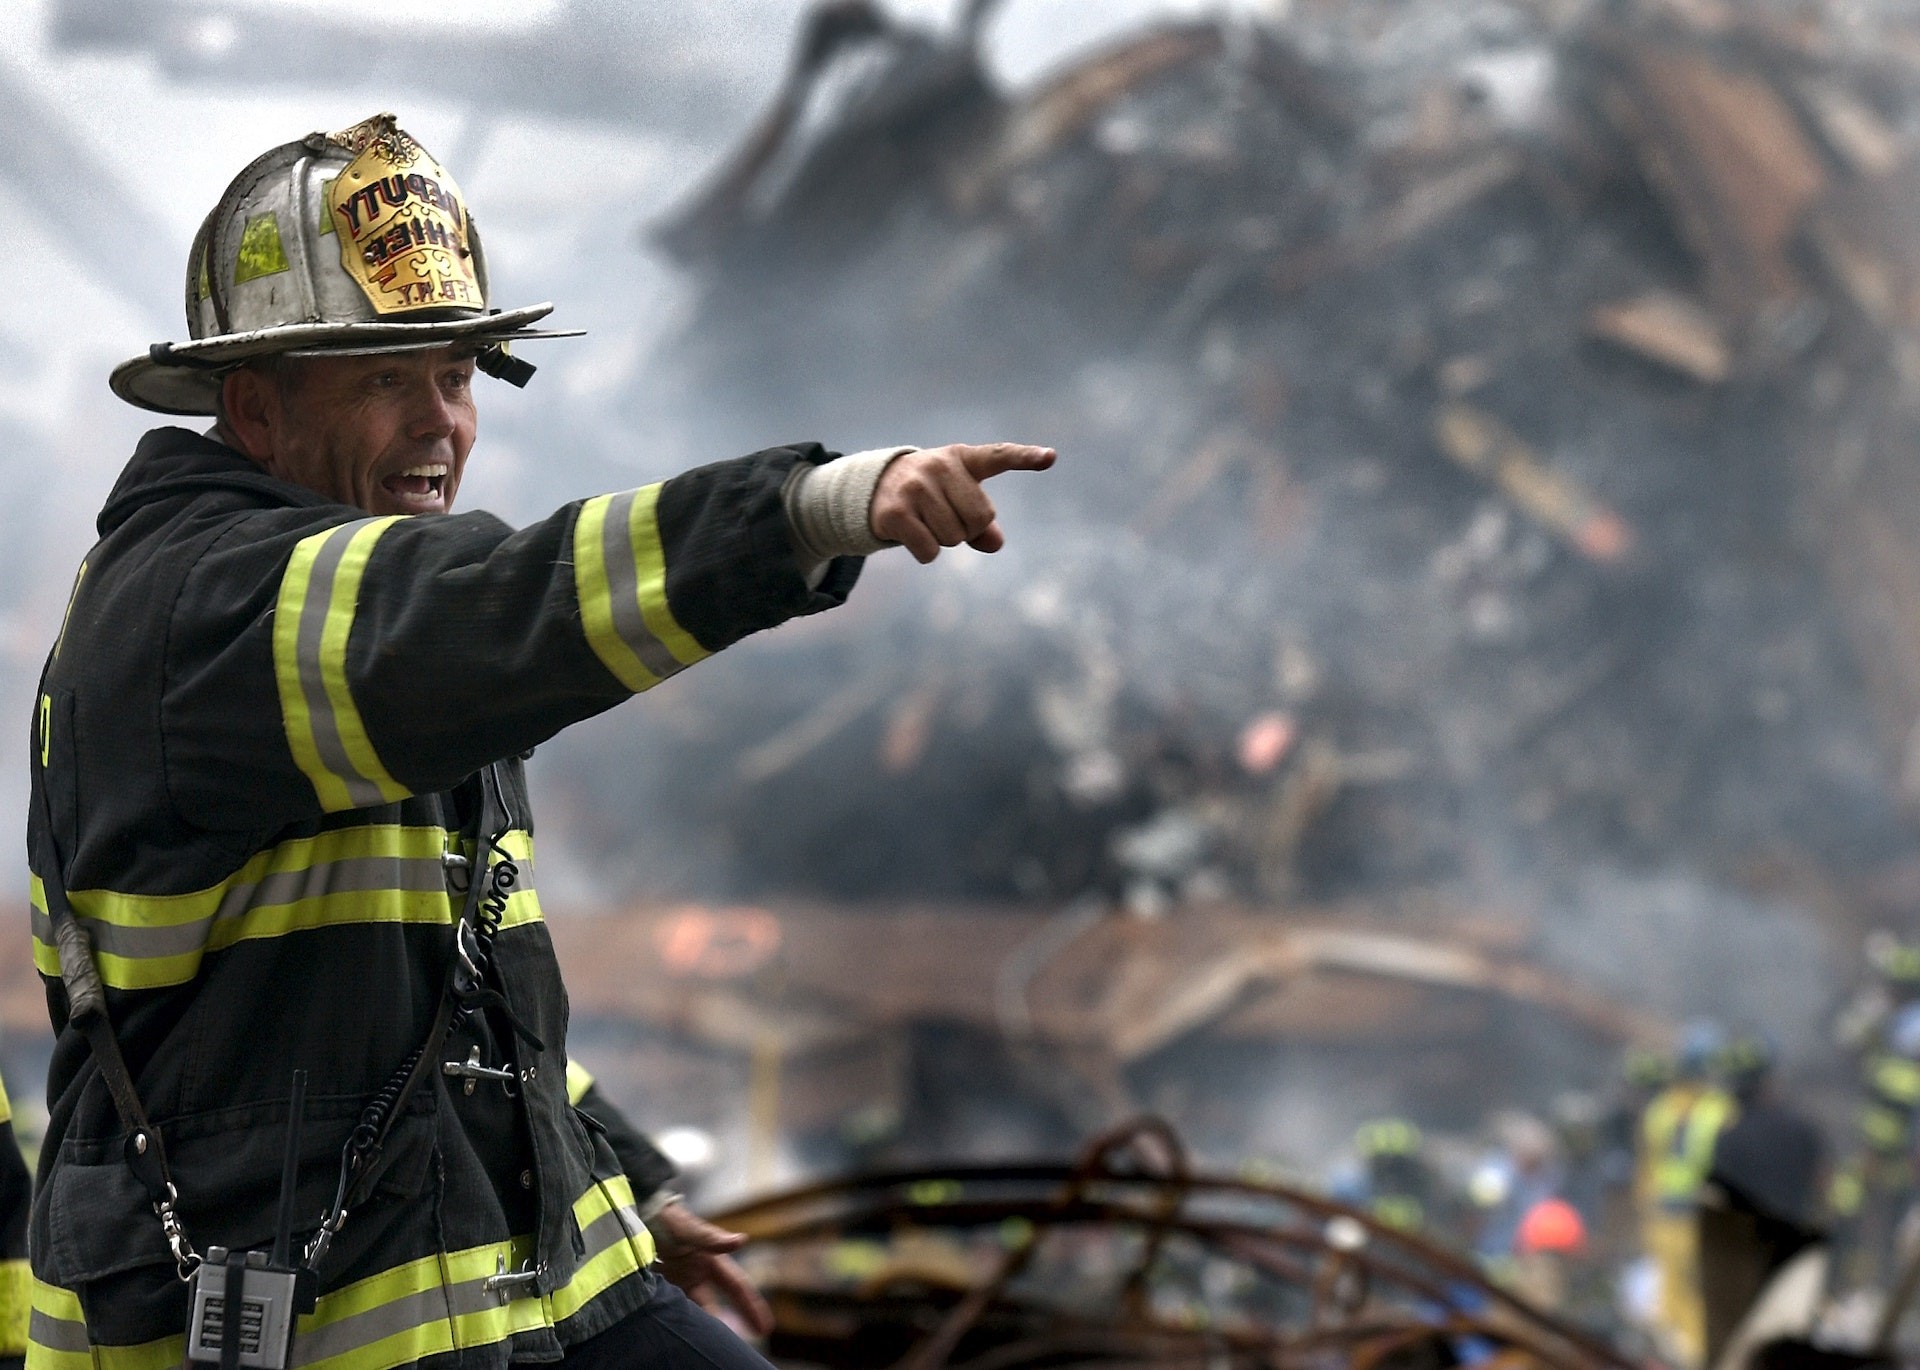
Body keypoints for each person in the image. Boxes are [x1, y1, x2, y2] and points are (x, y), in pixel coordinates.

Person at [24, 113, 1053, 1369]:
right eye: (384, 378)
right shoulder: (213, 609)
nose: (437, 425)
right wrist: (806, 508)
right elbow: (496, 603)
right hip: (309, 1325)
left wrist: (613, 1174)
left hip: (500, 1282)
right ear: (256, 408)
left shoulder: (342, 613)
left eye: (456, 378)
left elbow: (444, 985)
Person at [1636, 1021, 1738, 1369]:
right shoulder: (1721, 1110)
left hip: (1665, 1215)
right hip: (1700, 1215)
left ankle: (1669, 1357)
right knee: (1698, 1299)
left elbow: (1648, 1168)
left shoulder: (1660, 1109)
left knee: (1672, 1298)